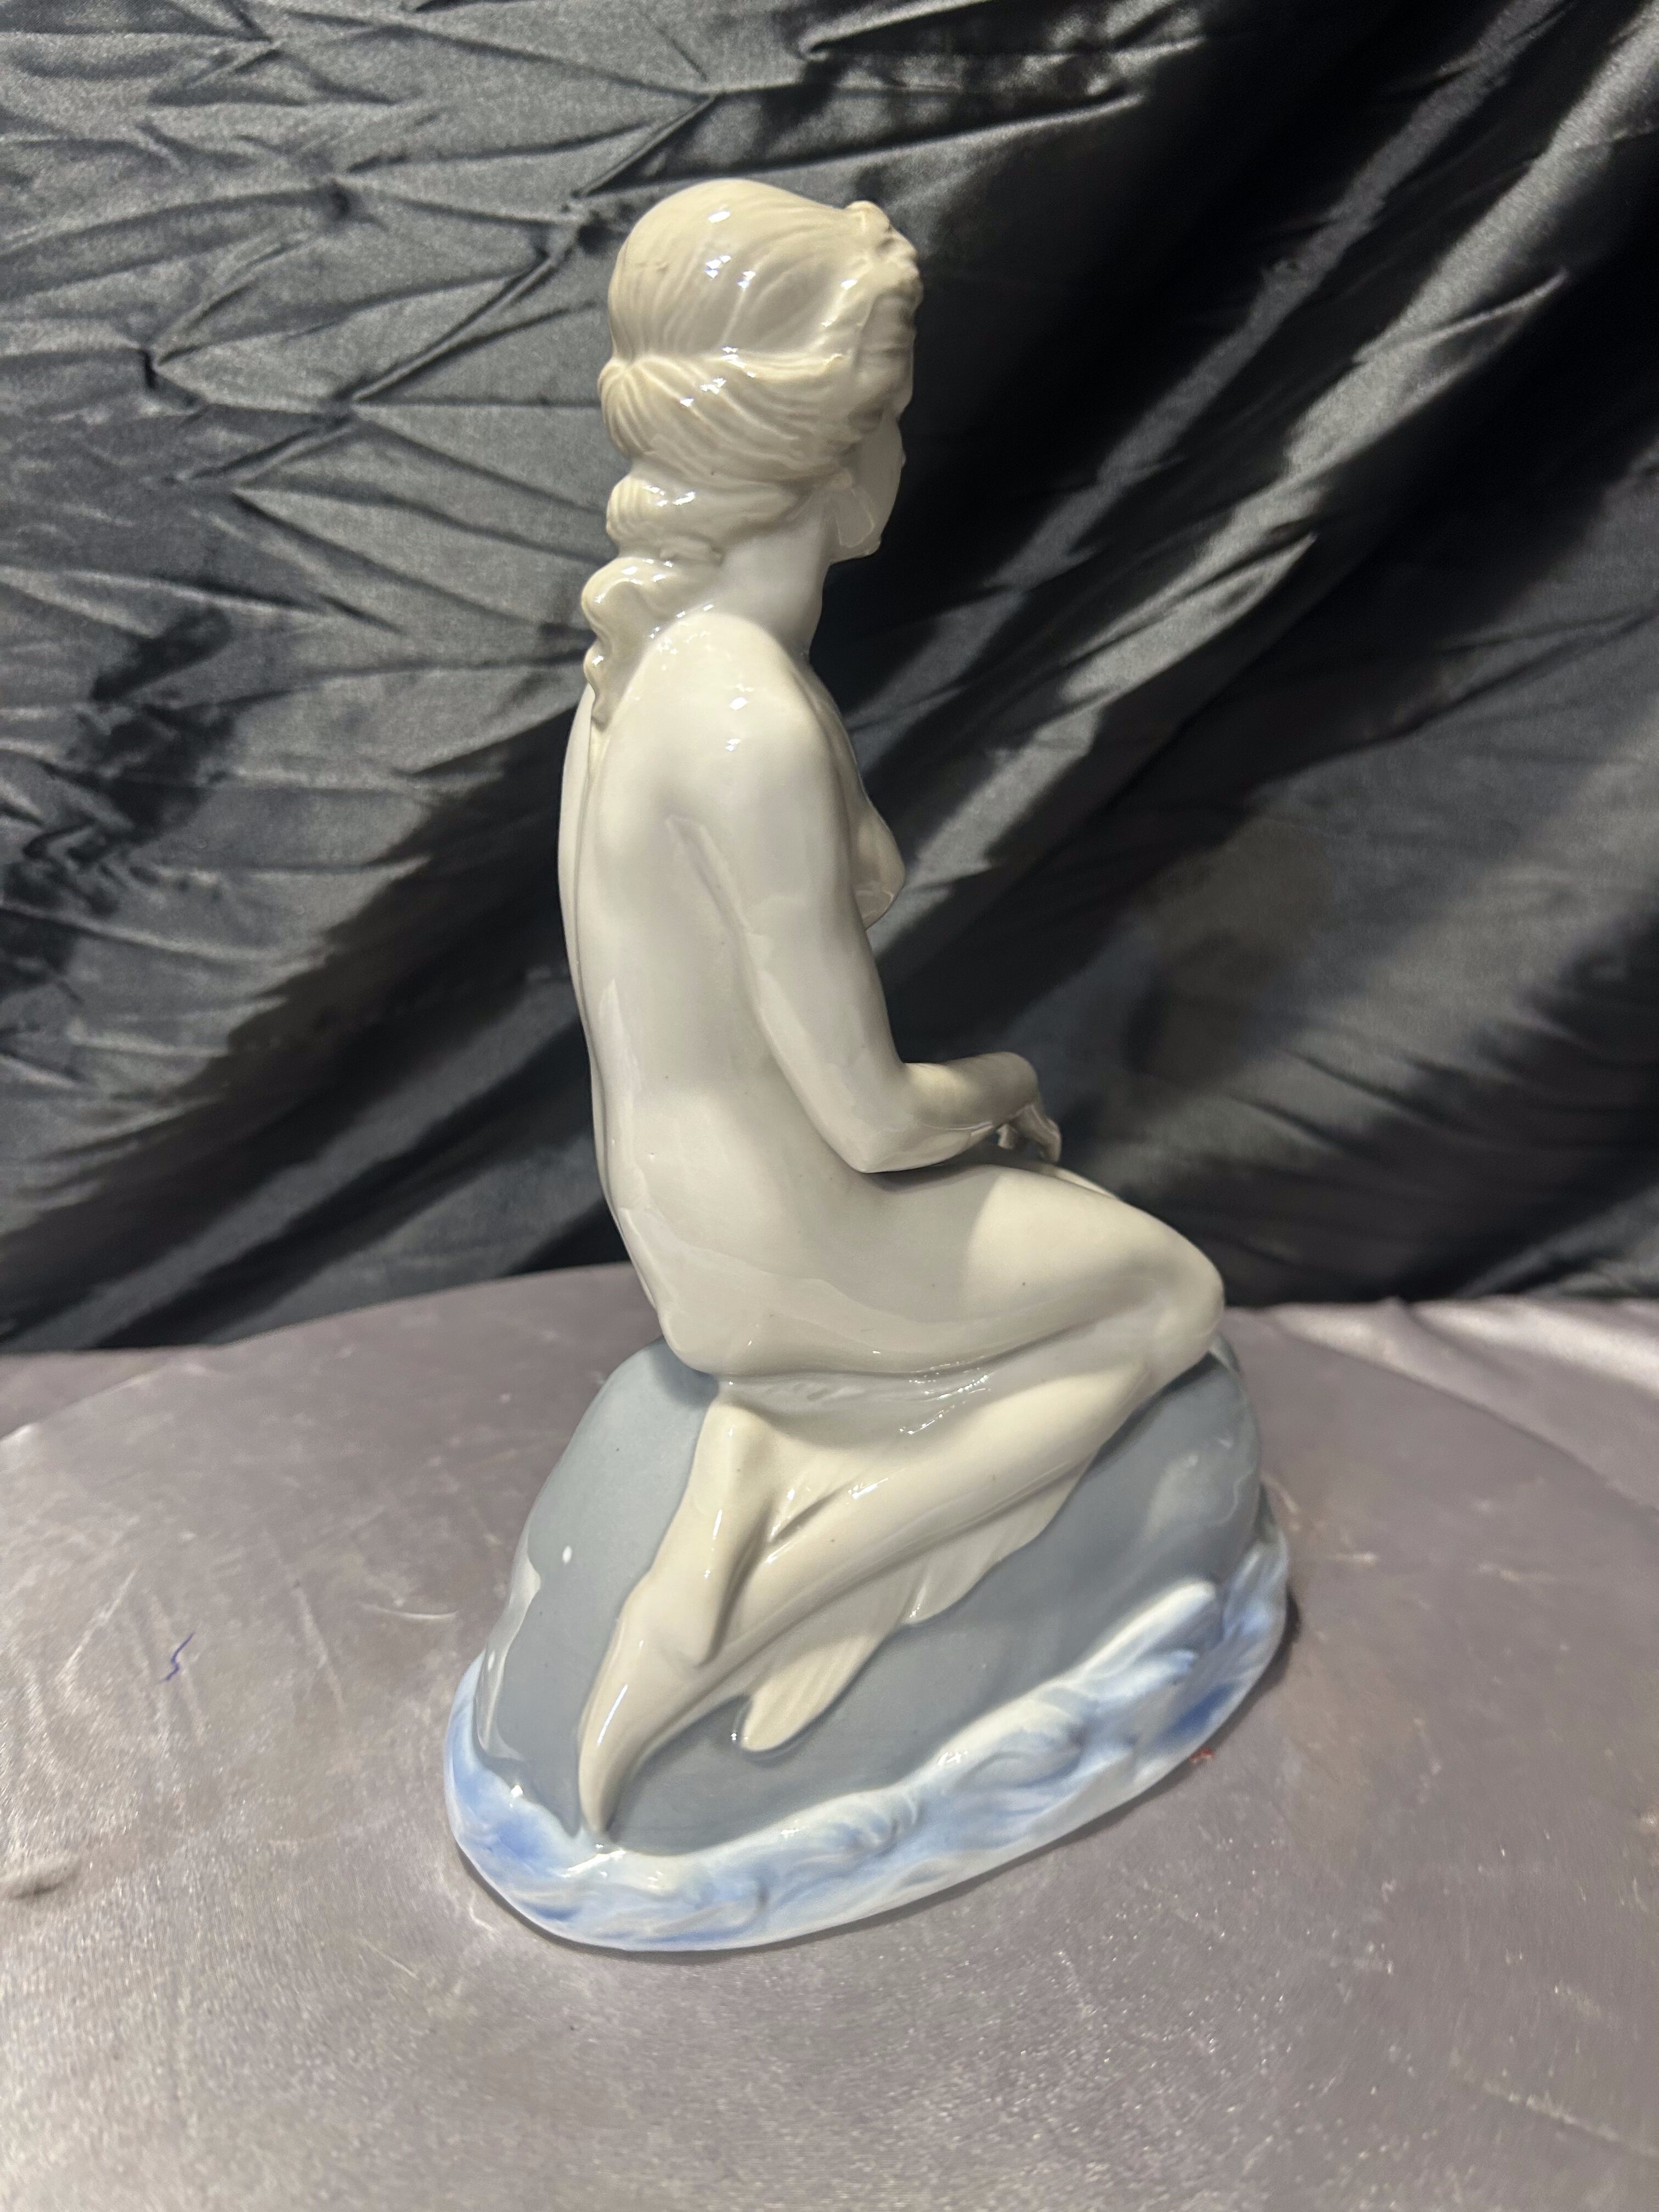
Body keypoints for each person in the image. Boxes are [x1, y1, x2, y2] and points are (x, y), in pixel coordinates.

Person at [563, 179, 1223, 1832]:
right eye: (899, 412)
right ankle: (749, 1612)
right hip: (783, 1233)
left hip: (690, 1223)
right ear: (844, 440)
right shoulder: (748, 727)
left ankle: (779, 1450)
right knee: (1168, 1293)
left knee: (1037, 1249)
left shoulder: (639, 664)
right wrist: (1006, 1084)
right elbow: (867, 1118)